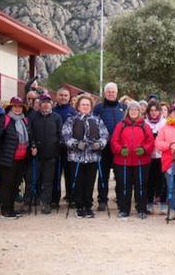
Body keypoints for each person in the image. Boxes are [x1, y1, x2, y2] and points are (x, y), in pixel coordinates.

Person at [62, 95, 109, 218]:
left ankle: (88, 206)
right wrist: (76, 144)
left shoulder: (97, 120)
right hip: (76, 158)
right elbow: (66, 136)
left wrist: (99, 144)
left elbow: (105, 135)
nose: (85, 107)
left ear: (91, 107)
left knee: (89, 183)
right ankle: (79, 207)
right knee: (78, 183)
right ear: (78, 106)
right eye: (83, 104)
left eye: (87, 105)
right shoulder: (71, 120)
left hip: (92, 158)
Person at [0, 98, 36, 219]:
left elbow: (30, 136)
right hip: (7, 158)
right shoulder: (5, 119)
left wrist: (33, 146)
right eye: (15, 106)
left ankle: (11, 208)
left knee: (16, 184)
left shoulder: (25, 121)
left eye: (20, 107)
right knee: (7, 184)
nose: (17, 108)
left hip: (22, 158)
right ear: (10, 108)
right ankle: (5, 210)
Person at [111, 102, 154, 219]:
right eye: (131, 110)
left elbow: (151, 141)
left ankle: (141, 209)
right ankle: (124, 209)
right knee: (124, 185)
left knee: (141, 185)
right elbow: (114, 141)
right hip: (123, 161)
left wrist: (144, 149)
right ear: (128, 111)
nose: (134, 112)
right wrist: (120, 149)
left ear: (139, 112)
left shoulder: (145, 126)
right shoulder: (121, 125)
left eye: (136, 110)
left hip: (141, 161)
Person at [93, 82, 126, 212]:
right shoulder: (98, 108)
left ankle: (120, 199)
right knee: (103, 175)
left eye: (113, 91)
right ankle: (102, 200)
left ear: (117, 93)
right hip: (104, 147)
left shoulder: (123, 107)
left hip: (119, 147)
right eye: (109, 92)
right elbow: (94, 126)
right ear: (105, 93)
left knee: (120, 175)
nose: (111, 94)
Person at [28, 94, 62, 214]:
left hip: (51, 154)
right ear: (39, 104)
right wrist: (32, 145)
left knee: (48, 181)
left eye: (48, 102)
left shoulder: (56, 117)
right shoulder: (33, 117)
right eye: (43, 102)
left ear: (51, 104)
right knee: (33, 179)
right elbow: (29, 133)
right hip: (36, 154)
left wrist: (58, 147)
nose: (46, 104)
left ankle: (46, 203)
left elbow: (60, 134)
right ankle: (30, 201)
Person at [51, 87, 77, 209]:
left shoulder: (73, 112)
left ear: (69, 97)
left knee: (70, 174)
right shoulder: (52, 111)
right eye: (61, 95)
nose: (63, 97)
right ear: (56, 96)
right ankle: (55, 199)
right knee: (56, 174)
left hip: (70, 148)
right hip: (56, 147)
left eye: (65, 95)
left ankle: (71, 198)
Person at [145, 102, 167, 213]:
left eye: (156, 110)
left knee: (162, 180)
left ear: (159, 111)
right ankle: (149, 203)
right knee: (149, 180)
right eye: (151, 110)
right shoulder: (145, 122)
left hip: (161, 155)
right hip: (149, 156)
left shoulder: (164, 122)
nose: (154, 113)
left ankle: (163, 203)